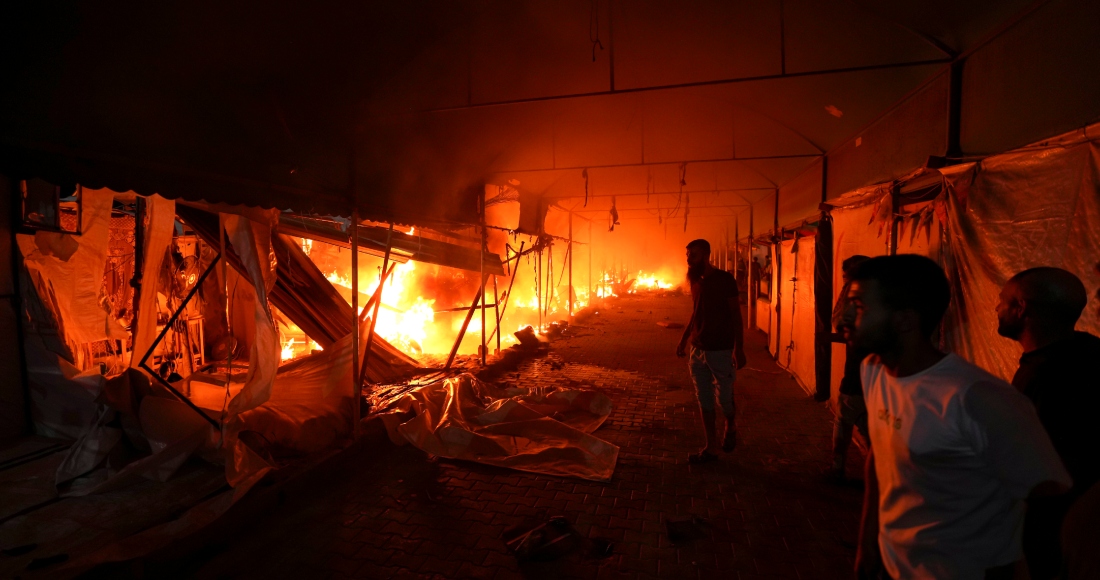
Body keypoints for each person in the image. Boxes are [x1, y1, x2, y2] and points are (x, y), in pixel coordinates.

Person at [847, 255, 1071, 580]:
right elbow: (879, 461)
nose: (845, 318)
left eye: (859, 306)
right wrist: (868, 546)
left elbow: (1049, 496)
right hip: (892, 565)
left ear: (905, 320)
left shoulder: (975, 397)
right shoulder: (874, 371)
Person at [995, 267, 1100, 579]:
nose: (996, 308)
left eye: (1002, 301)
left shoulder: (1044, 377)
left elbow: (1035, 466)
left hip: (1050, 529)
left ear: (1021, 308)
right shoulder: (1090, 352)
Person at [676, 239, 747, 464]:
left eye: (693, 255)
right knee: (704, 399)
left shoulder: (725, 280)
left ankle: (730, 423)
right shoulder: (695, 280)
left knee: (724, 400)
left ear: (706, 255)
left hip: (721, 350)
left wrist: (739, 349)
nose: (689, 259)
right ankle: (711, 448)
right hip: (698, 350)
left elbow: (736, 315)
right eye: (687, 255)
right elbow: (696, 312)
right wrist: (684, 338)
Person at [824, 255, 871, 483]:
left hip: (857, 378)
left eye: (847, 278)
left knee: (844, 422)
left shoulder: (861, 301)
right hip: (870, 379)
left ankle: (837, 468)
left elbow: (839, 321)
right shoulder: (878, 300)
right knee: (866, 429)